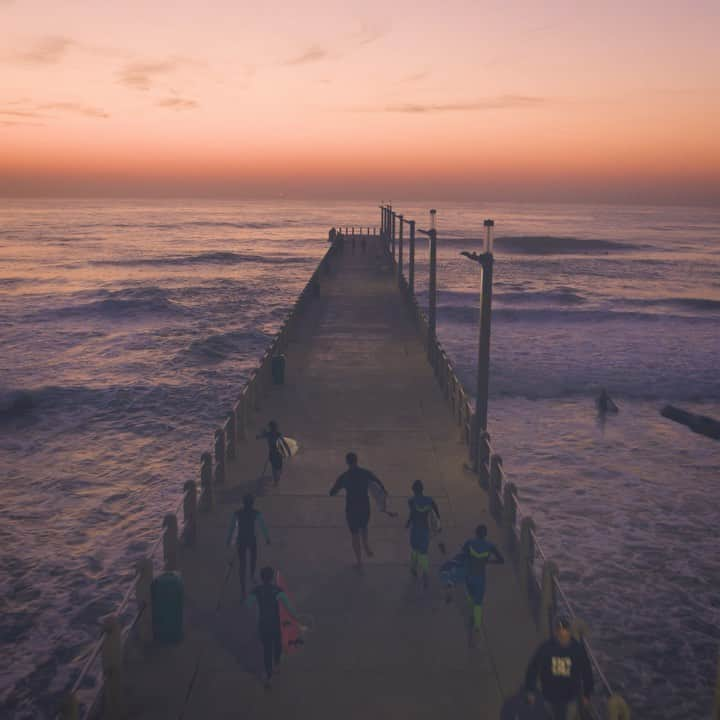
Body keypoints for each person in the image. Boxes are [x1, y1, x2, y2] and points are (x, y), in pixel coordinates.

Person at [524, 615, 594, 720]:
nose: (562, 635)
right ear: (556, 633)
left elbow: (587, 672)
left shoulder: (578, 650)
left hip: (570, 698)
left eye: (565, 632)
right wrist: (530, 690)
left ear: (569, 632)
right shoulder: (546, 648)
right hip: (550, 696)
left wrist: (587, 694)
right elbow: (533, 668)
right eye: (559, 632)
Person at [443, 524, 504, 644]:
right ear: (485, 534)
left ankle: (472, 614)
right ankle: (476, 625)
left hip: (469, 576)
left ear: (476, 533)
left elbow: (462, 556)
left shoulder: (469, 543)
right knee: (479, 602)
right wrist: (489, 561)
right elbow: (501, 560)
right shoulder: (490, 546)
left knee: (471, 595)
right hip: (481, 578)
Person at [329, 452, 387, 568]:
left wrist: (336, 490)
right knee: (364, 527)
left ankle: (359, 561)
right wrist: (383, 494)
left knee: (354, 534)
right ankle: (366, 545)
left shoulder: (344, 477)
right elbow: (378, 483)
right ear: (357, 460)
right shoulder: (365, 473)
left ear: (347, 462)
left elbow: (332, 492)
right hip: (364, 507)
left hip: (351, 509)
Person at [246, 566, 301, 689]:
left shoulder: (256, 591)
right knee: (277, 646)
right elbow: (289, 606)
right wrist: (297, 617)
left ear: (261, 577)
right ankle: (276, 664)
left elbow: (247, 604)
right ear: (271, 578)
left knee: (266, 650)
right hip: (275, 625)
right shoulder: (278, 591)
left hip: (263, 625)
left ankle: (269, 676)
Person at [226, 494, 270, 598]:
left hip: (241, 540)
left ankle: (242, 589)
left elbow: (231, 528)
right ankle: (251, 575)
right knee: (253, 559)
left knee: (242, 564)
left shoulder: (237, 513)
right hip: (252, 539)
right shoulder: (256, 513)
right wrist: (267, 538)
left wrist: (228, 540)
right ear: (252, 503)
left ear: (243, 502)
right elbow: (263, 526)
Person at [406, 480, 440, 589]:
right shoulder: (430, 501)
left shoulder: (411, 501)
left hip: (415, 529)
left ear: (413, 490)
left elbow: (412, 514)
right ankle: (425, 573)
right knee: (424, 553)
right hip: (425, 530)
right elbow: (436, 513)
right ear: (422, 489)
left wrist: (407, 524)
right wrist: (438, 525)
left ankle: (413, 568)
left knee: (415, 550)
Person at [257, 420, 290, 486]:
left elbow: (261, 436)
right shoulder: (276, 434)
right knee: (277, 467)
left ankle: (276, 479)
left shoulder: (271, 434)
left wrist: (259, 436)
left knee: (276, 467)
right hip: (276, 453)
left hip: (274, 453)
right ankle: (276, 479)